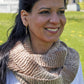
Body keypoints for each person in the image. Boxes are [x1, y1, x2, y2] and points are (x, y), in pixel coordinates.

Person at [0, 0, 84, 84]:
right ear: (25, 17)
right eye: (45, 12)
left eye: (61, 12)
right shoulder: (4, 64)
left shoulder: (72, 63)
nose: (55, 20)